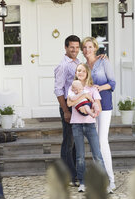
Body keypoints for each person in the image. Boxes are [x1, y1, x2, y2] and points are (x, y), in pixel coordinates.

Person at [81, 37, 116, 193]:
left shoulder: (104, 62)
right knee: (94, 143)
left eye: (90, 47)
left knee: (102, 141)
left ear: (95, 48)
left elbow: (112, 83)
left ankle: (111, 180)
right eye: (85, 47)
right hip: (89, 107)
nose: (87, 50)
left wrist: (99, 88)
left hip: (105, 105)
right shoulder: (82, 66)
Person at [67, 63, 106, 192]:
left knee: (97, 154)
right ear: (76, 73)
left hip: (90, 124)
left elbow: (98, 105)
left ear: (87, 73)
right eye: (78, 71)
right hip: (76, 125)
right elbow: (69, 102)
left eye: (83, 71)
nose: (80, 73)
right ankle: (82, 182)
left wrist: (95, 108)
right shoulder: (72, 87)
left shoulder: (93, 89)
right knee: (80, 155)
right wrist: (84, 96)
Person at [54, 35, 81, 186]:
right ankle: (68, 176)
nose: (75, 50)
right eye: (72, 47)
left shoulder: (77, 62)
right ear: (65, 48)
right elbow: (58, 90)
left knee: (75, 141)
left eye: (77, 48)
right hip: (68, 106)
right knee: (68, 142)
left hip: (77, 106)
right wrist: (66, 111)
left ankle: (75, 173)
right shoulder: (63, 66)